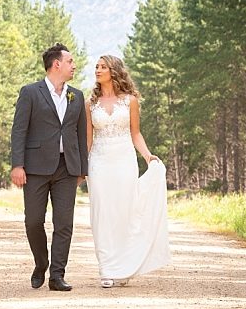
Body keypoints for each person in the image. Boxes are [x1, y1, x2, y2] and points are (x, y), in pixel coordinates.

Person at [85, 55, 170, 288]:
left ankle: (123, 266)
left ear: (114, 71)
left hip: (124, 161)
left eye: (103, 67)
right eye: (96, 67)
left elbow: (135, 133)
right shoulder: (89, 104)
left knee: (124, 212)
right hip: (99, 163)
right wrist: (81, 169)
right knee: (102, 214)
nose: (98, 70)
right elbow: (88, 140)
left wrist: (148, 156)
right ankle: (107, 269)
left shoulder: (130, 101)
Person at [10, 43, 89, 292]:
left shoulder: (76, 95)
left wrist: (82, 169)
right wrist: (17, 165)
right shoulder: (30, 92)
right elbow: (19, 130)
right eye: (70, 61)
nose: (74, 65)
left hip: (67, 168)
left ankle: (57, 275)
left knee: (64, 223)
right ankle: (41, 263)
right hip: (35, 168)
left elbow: (80, 135)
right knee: (33, 221)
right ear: (57, 64)